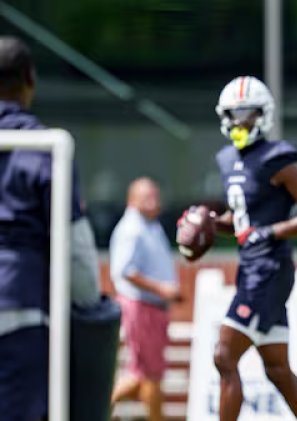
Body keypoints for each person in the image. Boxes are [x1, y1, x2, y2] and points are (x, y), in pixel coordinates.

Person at [205, 76, 297, 421]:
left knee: (224, 356)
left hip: (270, 270)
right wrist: (213, 222)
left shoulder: (277, 158)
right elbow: (245, 218)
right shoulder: (227, 159)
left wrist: (271, 232)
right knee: (277, 370)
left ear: (264, 114)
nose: (239, 121)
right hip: (251, 270)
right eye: (233, 114)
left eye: (247, 113)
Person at [0, 36, 100, 421]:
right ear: (29, 79)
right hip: (19, 307)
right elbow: (75, 248)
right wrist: (91, 303)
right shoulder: (44, 148)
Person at [109, 177, 180, 421]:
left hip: (152, 309)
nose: (154, 202)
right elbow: (125, 270)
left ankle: (95, 409)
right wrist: (162, 289)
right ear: (132, 199)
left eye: (156, 196)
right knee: (149, 376)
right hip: (141, 307)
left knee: (142, 375)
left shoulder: (150, 224)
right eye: (147, 196)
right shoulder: (131, 228)